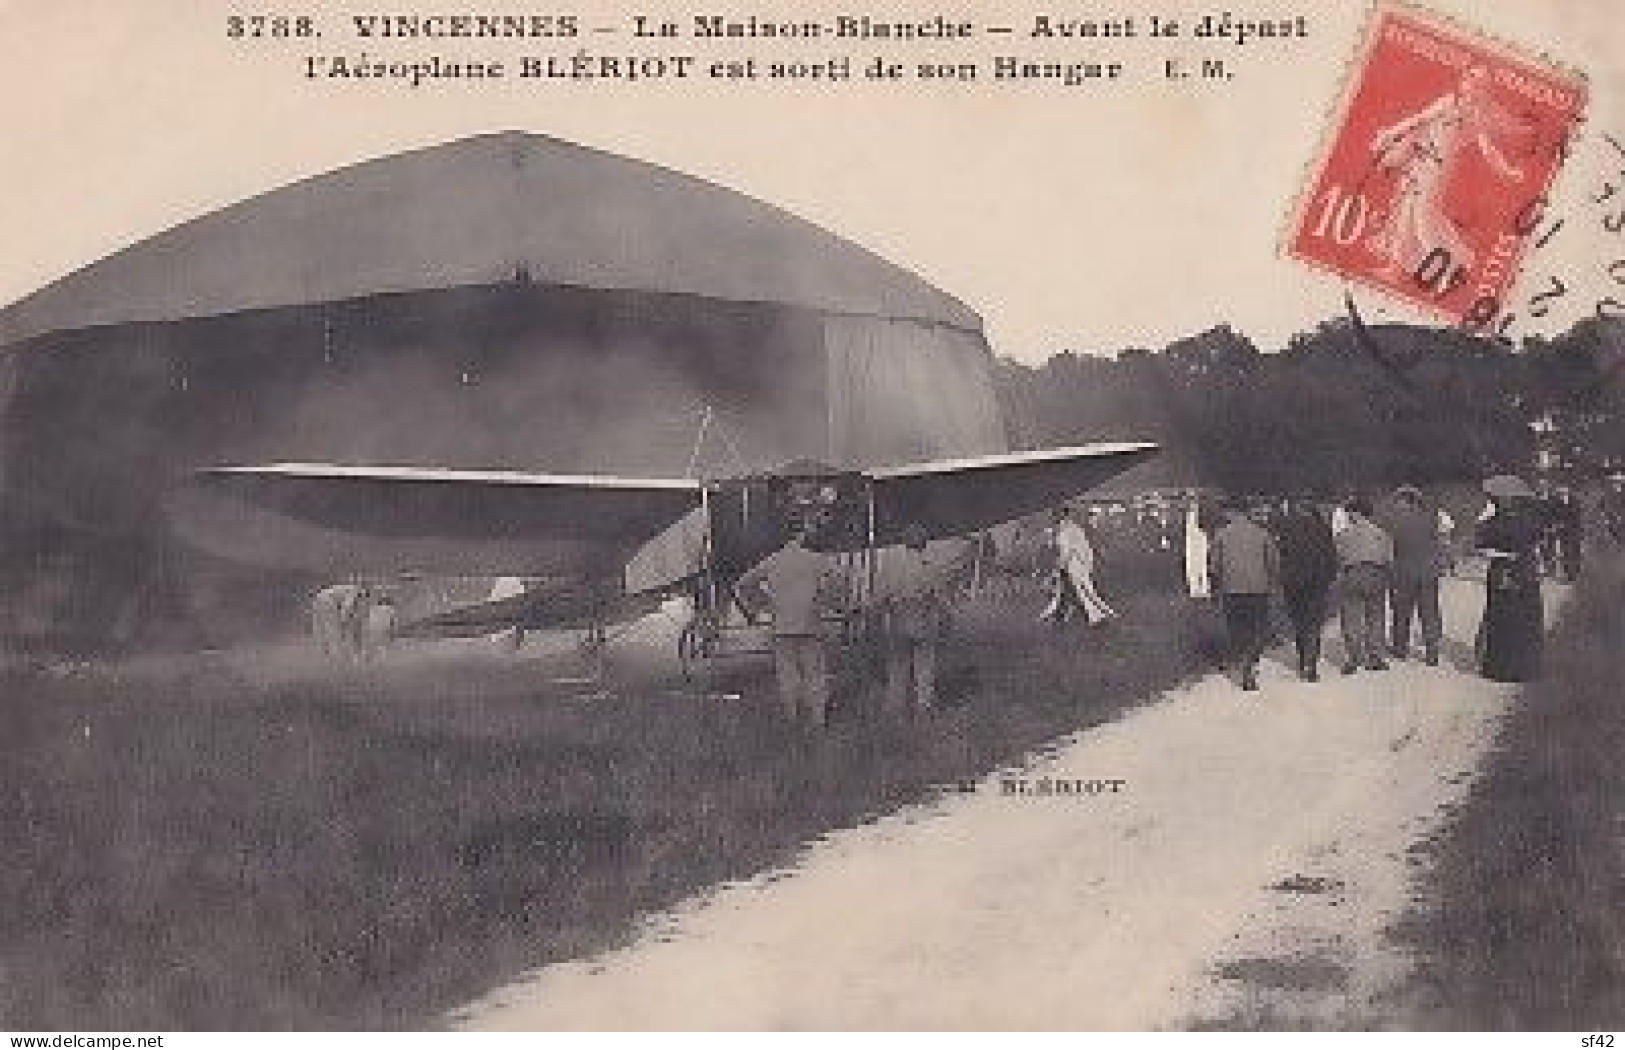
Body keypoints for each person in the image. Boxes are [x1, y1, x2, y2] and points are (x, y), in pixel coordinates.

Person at [739, 526, 839, 727]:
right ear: (799, 537)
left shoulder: (773, 560)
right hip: (809, 624)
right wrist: (822, 600)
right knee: (814, 673)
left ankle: (791, 718)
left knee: (787, 674)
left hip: (782, 624)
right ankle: (818, 720)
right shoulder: (814, 559)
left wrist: (764, 604)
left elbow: (744, 583)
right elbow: (835, 579)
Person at [1475, 475, 1545, 683]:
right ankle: (1525, 669)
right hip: (1526, 572)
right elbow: (1538, 543)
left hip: (1502, 572)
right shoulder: (1531, 521)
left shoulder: (1492, 523)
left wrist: (1502, 555)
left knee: (1500, 617)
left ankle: (1499, 667)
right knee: (1526, 619)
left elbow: (1481, 549)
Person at [1208, 500, 1280, 692]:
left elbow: (1214, 567)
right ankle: (1250, 665)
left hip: (1231, 589)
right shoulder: (1262, 533)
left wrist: (1216, 589)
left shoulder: (1220, 535)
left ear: (1231, 512)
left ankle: (1242, 660)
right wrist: (1272, 583)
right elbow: (1273, 562)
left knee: (1237, 628)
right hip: (1258, 589)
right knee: (1258, 628)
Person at [878, 525, 948, 715]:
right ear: (924, 544)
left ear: (904, 542)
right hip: (923, 615)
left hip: (898, 616)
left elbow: (882, 595)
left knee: (897, 666)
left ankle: (895, 708)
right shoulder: (931, 565)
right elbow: (939, 596)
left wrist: (886, 611)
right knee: (924, 666)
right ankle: (923, 707)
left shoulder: (892, 566)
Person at [1272, 496, 1338, 682]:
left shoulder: (1287, 528)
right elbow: (1331, 556)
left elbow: (1280, 556)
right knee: (1314, 623)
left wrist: (1282, 579)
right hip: (1317, 583)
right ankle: (1311, 664)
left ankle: (1303, 660)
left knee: (1299, 622)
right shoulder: (1323, 529)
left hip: (1294, 583)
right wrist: (1329, 579)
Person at [1384, 486, 1446, 665]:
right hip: (1428, 573)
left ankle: (1400, 648)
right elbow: (1439, 545)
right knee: (1429, 612)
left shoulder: (1395, 523)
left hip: (1404, 573)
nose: (1396, 505)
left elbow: (1390, 549)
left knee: (1401, 612)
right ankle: (1432, 651)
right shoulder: (1431, 520)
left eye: (1399, 501)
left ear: (1408, 502)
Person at [1333, 496, 1394, 674]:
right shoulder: (1381, 533)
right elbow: (1389, 559)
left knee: (1351, 615)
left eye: (1350, 512)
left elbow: (1338, 558)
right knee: (1376, 615)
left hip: (1353, 573)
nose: (1349, 516)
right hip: (1376, 574)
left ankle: (1354, 657)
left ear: (1357, 513)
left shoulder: (1343, 535)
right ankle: (1375, 656)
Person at [1041, 506, 1118, 626]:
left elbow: (1066, 553)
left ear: (1059, 516)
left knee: (1083, 591)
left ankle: (1099, 615)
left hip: (1074, 566)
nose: (1053, 518)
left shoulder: (1064, 532)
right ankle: (1098, 614)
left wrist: (1058, 568)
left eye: (1054, 515)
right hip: (1080, 564)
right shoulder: (1074, 528)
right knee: (1080, 591)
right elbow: (1085, 548)